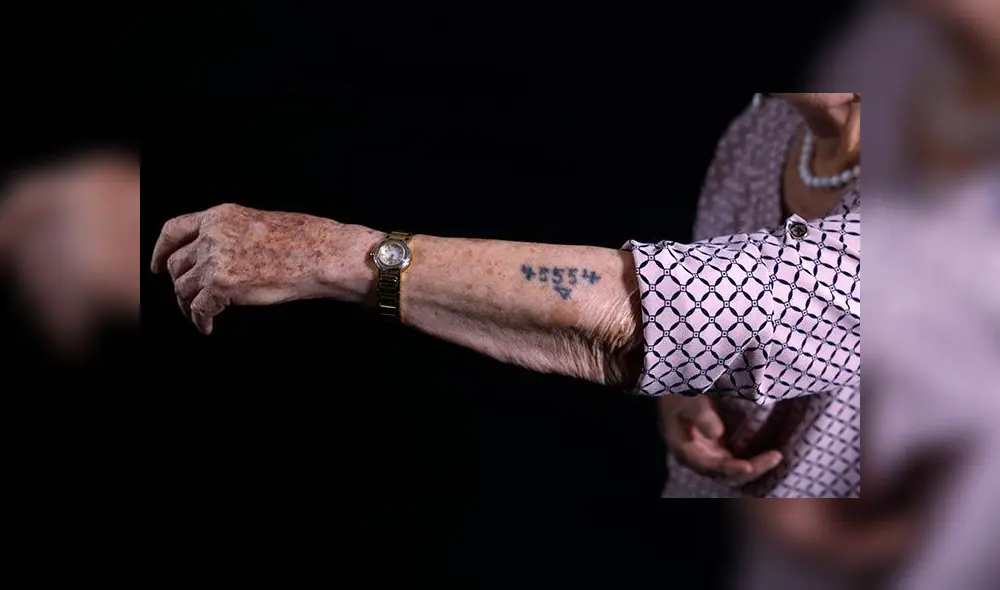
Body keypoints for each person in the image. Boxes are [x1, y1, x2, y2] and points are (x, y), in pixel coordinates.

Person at [150, 92, 861, 498]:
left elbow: (702, 307)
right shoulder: (765, 127)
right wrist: (682, 391)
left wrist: (332, 254)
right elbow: (698, 317)